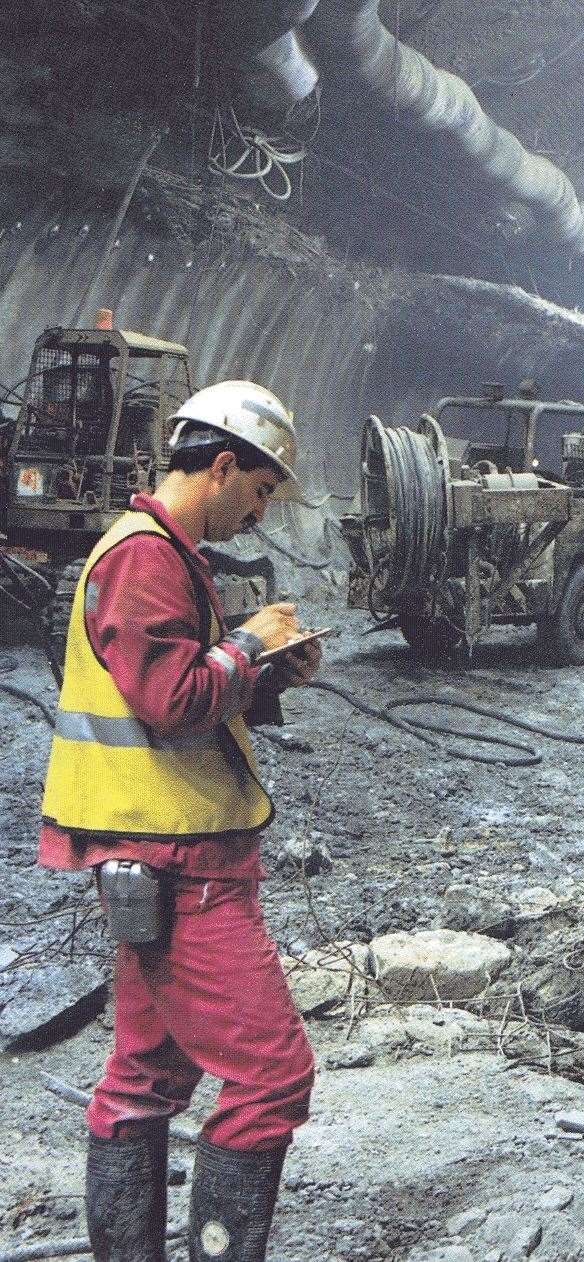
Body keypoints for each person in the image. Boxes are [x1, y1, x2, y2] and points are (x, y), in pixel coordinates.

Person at [38, 380, 323, 1262]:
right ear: (223, 465)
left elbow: (185, 688)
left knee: (147, 1073)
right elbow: (172, 697)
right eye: (262, 489)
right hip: (177, 860)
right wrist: (246, 643)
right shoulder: (144, 556)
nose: (261, 509)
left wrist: (264, 665)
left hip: (157, 851)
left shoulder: (162, 556)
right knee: (273, 1078)